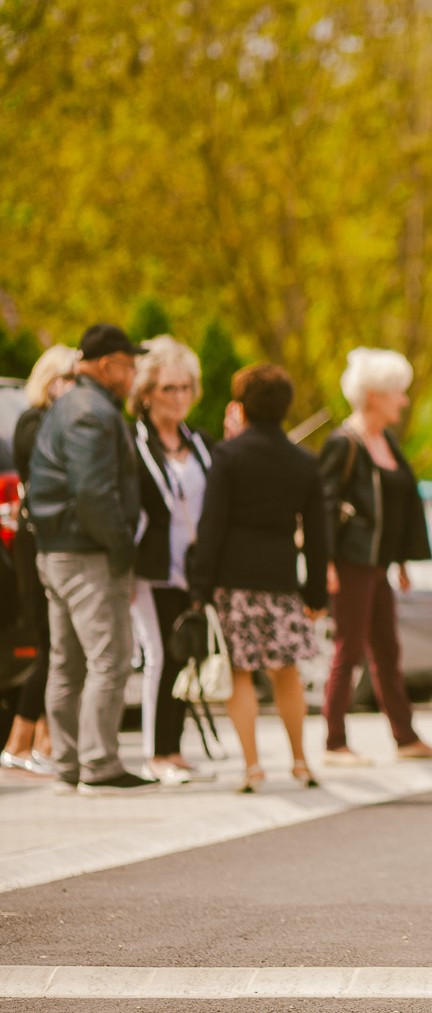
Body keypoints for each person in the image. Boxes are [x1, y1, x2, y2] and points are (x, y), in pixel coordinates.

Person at [27, 324, 158, 795]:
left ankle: (67, 762)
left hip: (58, 551)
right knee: (110, 659)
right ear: (107, 365)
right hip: (87, 553)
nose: (134, 374)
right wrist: (121, 548)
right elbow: (93, 493)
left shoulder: (67, 403)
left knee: (67, 663)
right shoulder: (93, 411)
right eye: (129, 365)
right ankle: (99, 764)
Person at [190, 365, 329, 793]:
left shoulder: (228, 456)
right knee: (286, 671)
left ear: (242, 406)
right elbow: (318, 535)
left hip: (233, 580)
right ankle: (301, 762)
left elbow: (211, 526)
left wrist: (200, 587)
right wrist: (316, 594)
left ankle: (253, 767)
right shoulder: (304, 462)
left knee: (240, 671)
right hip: (282, 580)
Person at [319, 347, 432, 765]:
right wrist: (327, 564)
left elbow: (398, 506)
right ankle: (334, 741)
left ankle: (405, 738)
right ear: (373, 396)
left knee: (387, 652)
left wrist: (403, 561)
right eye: (397, 393)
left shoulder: (386, 440)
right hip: (350, 565)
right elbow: (324, 507)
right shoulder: (344, 443)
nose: (404, 401)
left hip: (378, 566)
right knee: (348, 650)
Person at [129, 336, 215, 784]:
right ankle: (155, 754)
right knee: (160, 655)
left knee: (185, 654)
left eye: (185, 387)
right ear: (146, 393)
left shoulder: (200, 443)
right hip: (151, 569)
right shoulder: (134, 443)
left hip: (193, 568)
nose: (179, 397)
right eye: (169, 388)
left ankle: (175, 750)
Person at [0, 345, 78, 777]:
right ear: (50, 379)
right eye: (69, 377)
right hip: (37, 543)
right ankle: (19, 741)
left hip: (55, 542)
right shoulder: (33, 422)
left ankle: (47, 742)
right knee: (50, 646)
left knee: (61, 647)